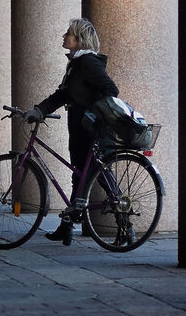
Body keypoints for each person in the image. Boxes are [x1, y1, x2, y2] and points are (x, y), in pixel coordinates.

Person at [25, 18, 119, 246]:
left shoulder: (88, 63)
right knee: (79, 174)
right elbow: (64, 95)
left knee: (99, 174)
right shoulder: (76, 64)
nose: (64, 36)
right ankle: (66, 225)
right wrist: (40, 110)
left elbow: (110, 89)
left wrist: (93, 114)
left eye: (68, 33)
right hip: (79, 129)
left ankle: (125, 225)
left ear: (79, 39)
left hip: (90, 129)